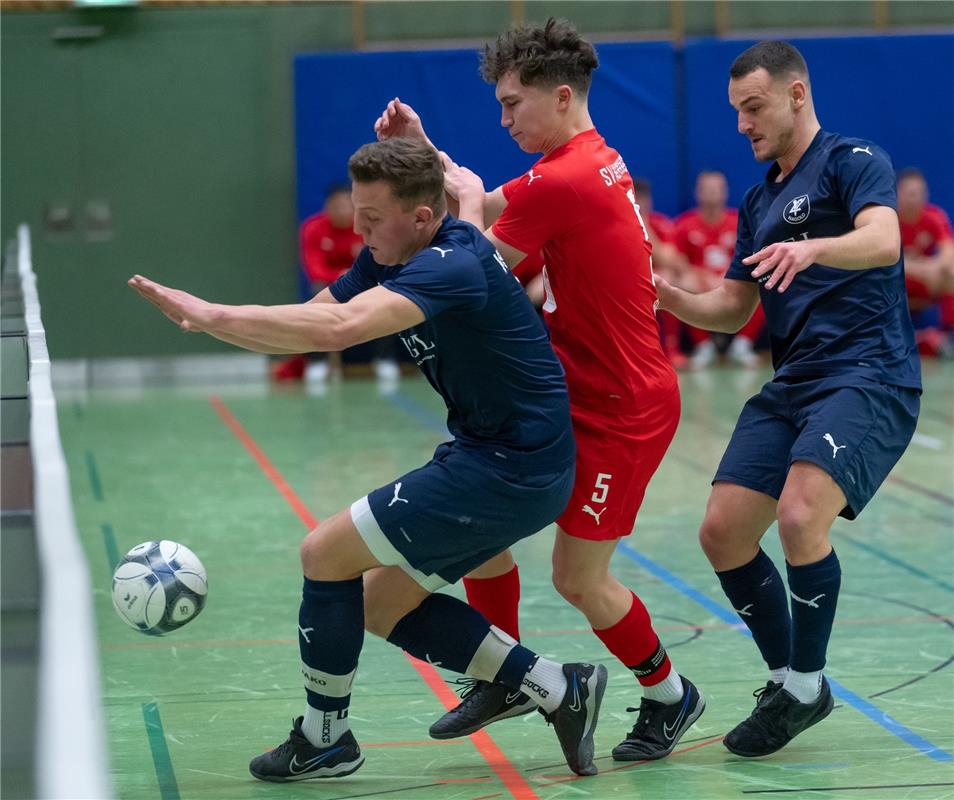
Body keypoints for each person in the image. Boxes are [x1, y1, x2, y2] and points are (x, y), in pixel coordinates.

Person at [129, 138, 609, 780]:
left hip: (513, 467)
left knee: (323, 553)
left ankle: (325, 738)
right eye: (356, 211)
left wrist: (210, 313)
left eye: (372, 216)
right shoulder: (395, 252)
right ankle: (557, 687)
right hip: (499, 458)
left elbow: (337, 331)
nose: (357, 228)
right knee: (379, 603)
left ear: (419, 216)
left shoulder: (451, 265)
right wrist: (217, 325)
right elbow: (311, 319)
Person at [375, 18, 705, 762]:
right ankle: (508, 672)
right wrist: (424, 150)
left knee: (578, 577)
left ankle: (669, 694)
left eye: (511, 104)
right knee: (488, 517)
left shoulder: (568, 176)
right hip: (576, 389)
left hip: (624, 407)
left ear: (560, 97)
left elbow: (475, 262)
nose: (503, 119)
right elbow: (487, 204)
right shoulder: (583, 161)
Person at [654, 40, 921, 757]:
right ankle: (787, 679)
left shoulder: (852, 161)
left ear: (797, 94)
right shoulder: (759, 199)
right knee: (722, 532)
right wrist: (665, 294)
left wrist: (814, 249)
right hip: (795, 384)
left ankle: (806, 686)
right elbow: (735, 309)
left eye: (754, 106)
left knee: (802, 515)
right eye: (736, 110)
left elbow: (884, 240)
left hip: (868, 374)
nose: (742, 123)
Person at [273, 184, 402, 384]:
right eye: (337, 205)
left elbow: (380, 263)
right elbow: (314, 269)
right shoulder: (313, 228)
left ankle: (385, 359)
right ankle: (318, 361)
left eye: (347, 205)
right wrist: (345, 276)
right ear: (327, 206)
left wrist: (359, 279)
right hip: (330, 285)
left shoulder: (366, 227)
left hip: (366, 284)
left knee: (385, 295)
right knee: (315, 296)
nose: (342, 210)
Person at [673, 170, 763, 369]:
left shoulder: (739, 221)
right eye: (708, 189)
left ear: (725, 192)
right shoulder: (685, 224)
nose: (712, 193)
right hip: (700, 282)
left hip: (733, 279)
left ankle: (742, 346)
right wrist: (702, 276)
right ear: (698, 192)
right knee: (679, 282)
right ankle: (703, 346)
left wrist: (729, 277)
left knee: (763, 278)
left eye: (717, 189)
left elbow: (750, 257)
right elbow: (678, 262)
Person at [896, 167, 954, 357]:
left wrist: (929, 268)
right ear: (897, 193)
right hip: (894, 284)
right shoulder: (888, 218)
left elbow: (948, 255)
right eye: (911, 194)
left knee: (951, 273)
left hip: (925, 282)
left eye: (921, 193)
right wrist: (918, 268)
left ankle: (947, 336)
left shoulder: (934, 217)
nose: (916, 199)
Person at [633, 176, 690, 369]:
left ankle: (671, 348)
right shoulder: (615, 224)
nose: (639, 204)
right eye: (635, 199)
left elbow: (672, 262)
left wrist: (644, 225)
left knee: (668, 278)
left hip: (651, 280)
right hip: (627, 281)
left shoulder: (660, 223)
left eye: (643, 199)